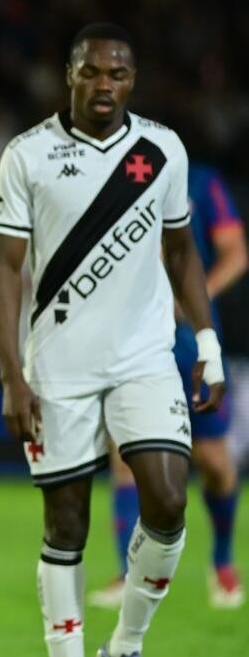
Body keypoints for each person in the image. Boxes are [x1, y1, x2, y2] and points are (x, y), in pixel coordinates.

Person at [0, 23, 226, 657]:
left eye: (117, 74)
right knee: (67, 525)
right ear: (70, 75)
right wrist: (12, 376)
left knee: (169, 500)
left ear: (132, 81)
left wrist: (207, 341)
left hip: (144, 357)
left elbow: (181, 252)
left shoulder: (161, 150)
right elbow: (6, 270)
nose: (104, 85)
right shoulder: (28, 155)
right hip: (58, 367)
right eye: (91, 72)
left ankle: (125, 648)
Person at [91, 166, 246, 611]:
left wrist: (196, 294)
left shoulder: (201, 183)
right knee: (125, 454)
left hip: (190, 339)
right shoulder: (113, 176)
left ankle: (222, 561)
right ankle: (127, 574)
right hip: (132, 338)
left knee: (213, 461)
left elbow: (235, 252)